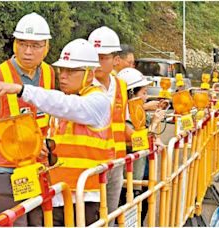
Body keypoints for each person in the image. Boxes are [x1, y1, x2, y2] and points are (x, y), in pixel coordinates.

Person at [0, 38, 113, 226]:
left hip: (84, 197)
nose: (63, 76)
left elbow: (64, 105)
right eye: (62, 70)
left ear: (90, 74)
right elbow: (66, 137)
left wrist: (21, 89)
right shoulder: (68, 101)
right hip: (58, 194)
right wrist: (47, 147)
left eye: (71, 71)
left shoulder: (97, 101)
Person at [0, 12, 55, 226]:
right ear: (14, 44)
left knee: (39, 223)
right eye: (22, 43)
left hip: (36, 167)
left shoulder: (49, 74)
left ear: (46, 46)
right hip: (4, 170)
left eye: (36, 45)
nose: (28, 51)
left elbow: (47, 119)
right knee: (15, 223)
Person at [88, 26, 129, 225]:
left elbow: (123, 124)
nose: (97, 63)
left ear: (115, 60)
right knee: (90, 214)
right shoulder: (82, 85)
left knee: (110, 214)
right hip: (91, 163)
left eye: (103, 57)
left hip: (116, 163)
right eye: (94, 56)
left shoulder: (121, 86)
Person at [116, 68, 166, 225]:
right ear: (131, 93)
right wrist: (155, 124)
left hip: (141, 175)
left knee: (140, 213)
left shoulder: (137, 113)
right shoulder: (120, 117)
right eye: (143, 93)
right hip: (127, 180)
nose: (146, 97)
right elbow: (135, 141)